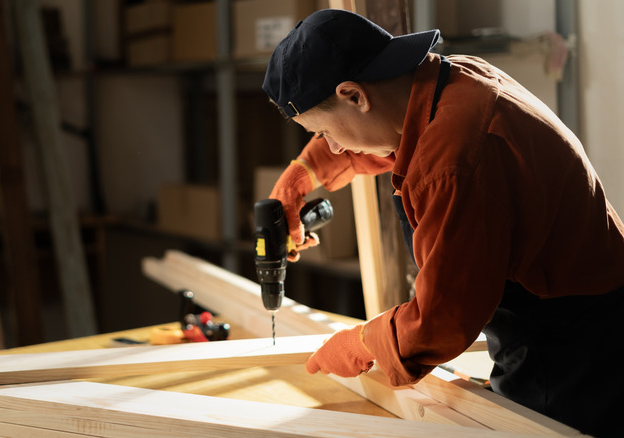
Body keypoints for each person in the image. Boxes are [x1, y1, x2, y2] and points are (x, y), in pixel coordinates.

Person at [262, 9, 624, 438]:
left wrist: (362, 343)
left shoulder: (451, 162)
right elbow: (392, 138)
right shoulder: (452, 81)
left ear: (355, 95)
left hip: (571, 347)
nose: (334, 147)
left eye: (324, 133)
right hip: (586, 305)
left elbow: (443, 321)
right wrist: (301, 174)